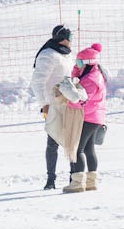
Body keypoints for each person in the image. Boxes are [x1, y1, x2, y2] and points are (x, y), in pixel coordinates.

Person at [32, 25, 75, 189]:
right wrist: (44, 104)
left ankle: (74, 177)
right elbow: (37, 82)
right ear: (64, 38)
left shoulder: (67, 55)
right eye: (70, 36)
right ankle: (51, 180)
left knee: (72, 141)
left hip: (68, 103)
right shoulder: (48, 55)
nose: (72, 40)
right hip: (53, 105)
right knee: (53, 142)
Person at [64, 43, 107, 194]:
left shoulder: (90, 79)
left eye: (80, 62)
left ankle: (77, 183)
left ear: (88, 63)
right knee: (89, 149)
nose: (77, 64)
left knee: (77, 149)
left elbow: (81, 100)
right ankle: (91, 182)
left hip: (88, 117)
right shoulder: (94, 74)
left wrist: (69, 100)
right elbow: (77, 81)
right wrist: (77, 69)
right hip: (95, 117)